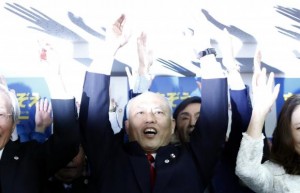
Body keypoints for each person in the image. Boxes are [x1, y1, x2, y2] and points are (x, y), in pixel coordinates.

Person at [79, 14, 228, 193]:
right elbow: (92, 120)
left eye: (158, 112)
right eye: (140, 113)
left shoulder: (194, 161)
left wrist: (206, 54)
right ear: (127, 126)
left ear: (172, 125)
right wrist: (109, 49)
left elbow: (214, 123)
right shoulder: (110, 159)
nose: (149, 118)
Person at [0, 70, 79, 193]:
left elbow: (66, 142)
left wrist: (54, 75)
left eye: (0, 114)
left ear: (14, 122)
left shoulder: (29, 160)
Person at [234, 58, 300, 192]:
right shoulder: (275, 175)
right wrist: (258, 113)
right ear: (287, 134)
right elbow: (247, 171)